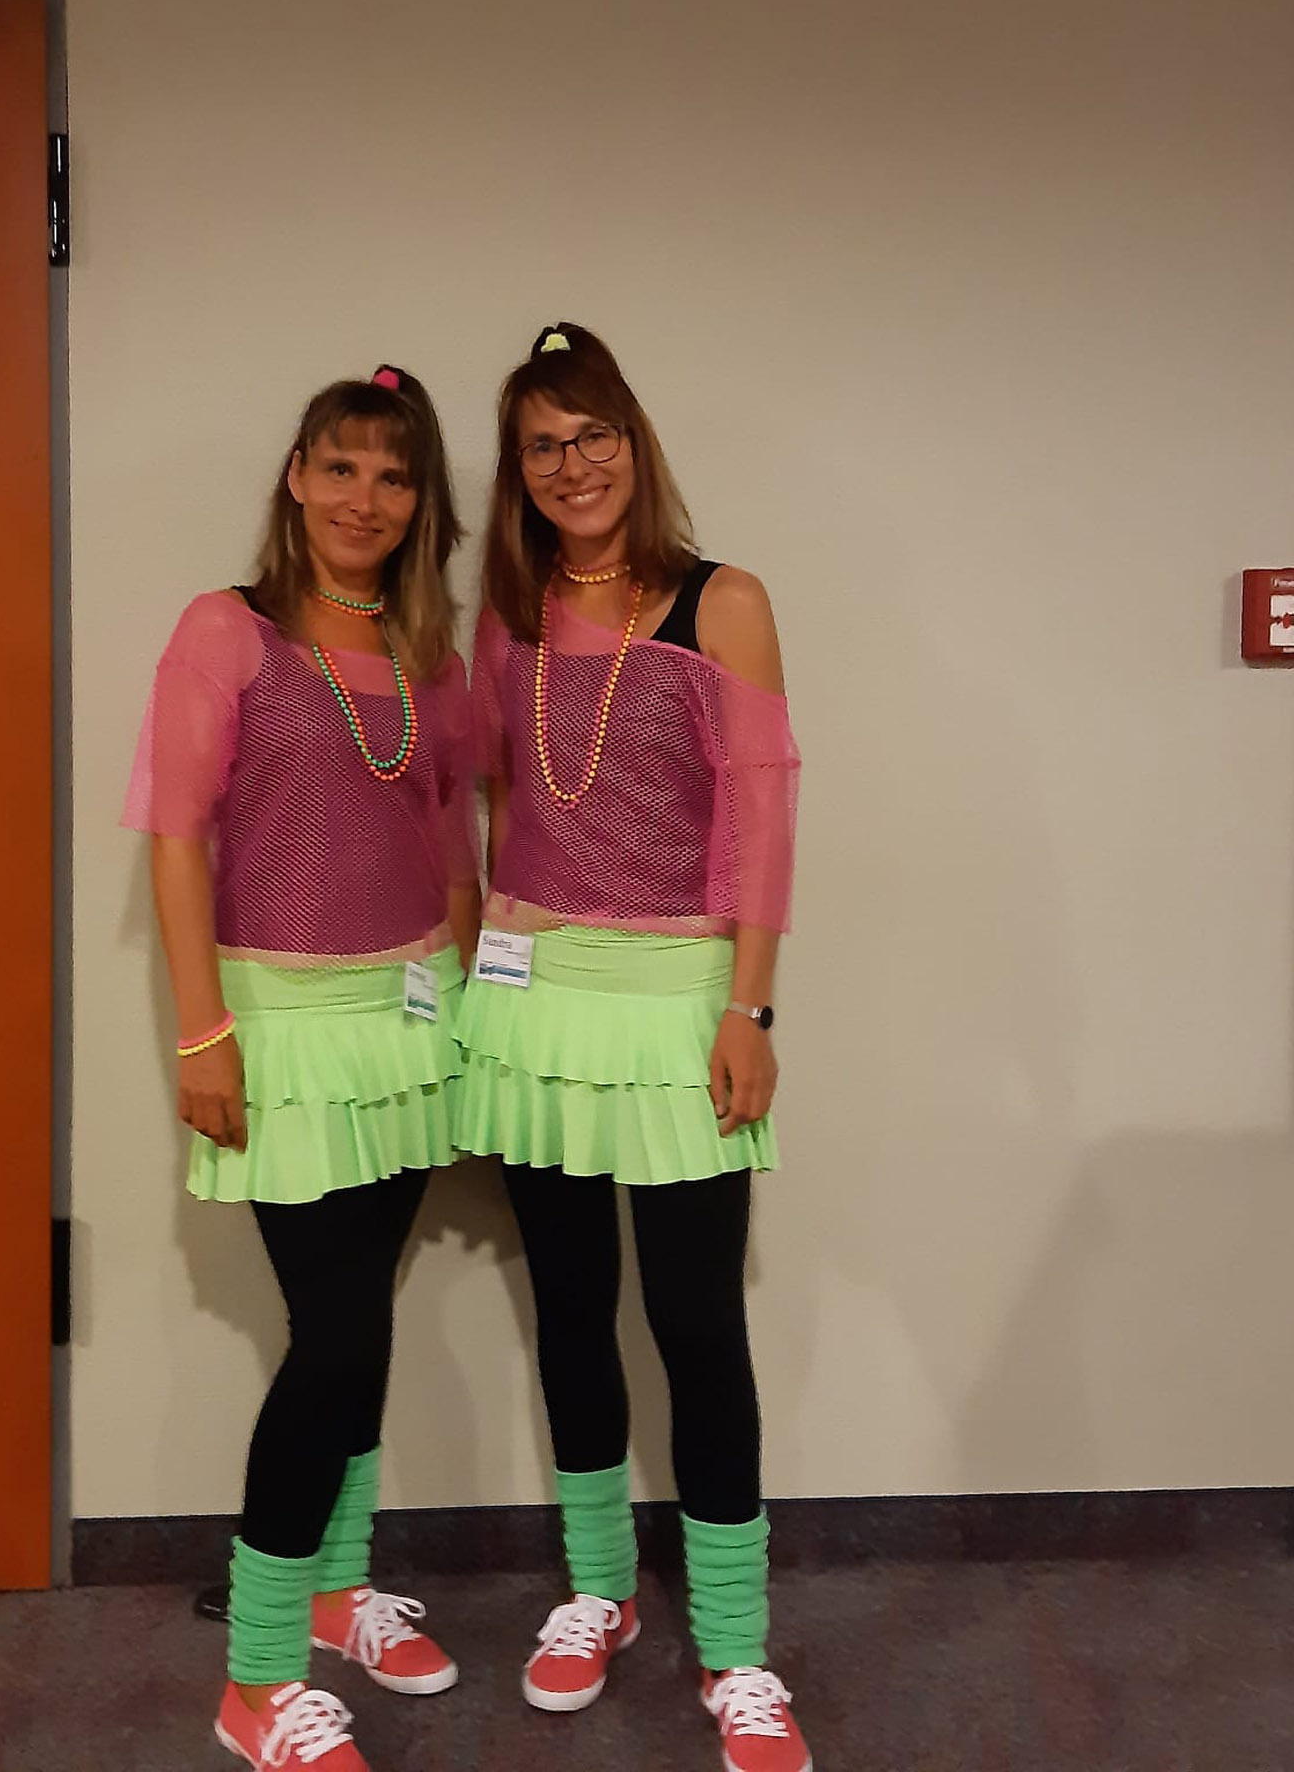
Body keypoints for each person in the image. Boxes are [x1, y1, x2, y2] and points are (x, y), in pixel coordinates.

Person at [455, 325, 810, 1772]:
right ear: (519, 471)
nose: (572, 464)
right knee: (572, 1310)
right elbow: (488, 809)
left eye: (591, 434)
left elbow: (764, 818)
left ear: (633, 441)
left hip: (680, 997)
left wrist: (748, 1008)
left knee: (697, 1323)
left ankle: (735, 1644)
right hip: (534, 1000)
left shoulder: (725, 600)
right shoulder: (510, 615)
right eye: (542, 445)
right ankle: (599, 1588)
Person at [124, 368, 478, 1772]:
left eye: (393, 477)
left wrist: (472, 1021)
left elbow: (450, 844)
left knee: (361, 1327)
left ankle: (337, 1591)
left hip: (409, 1023)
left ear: (418, 502)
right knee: (331, 1339)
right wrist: (202, 1032)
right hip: (276, 1028)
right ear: (295, 476)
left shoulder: (427, 653)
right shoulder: (227, 631)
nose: (363, 500)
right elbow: (175, 838)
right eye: (341, 468)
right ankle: (258, 1678)